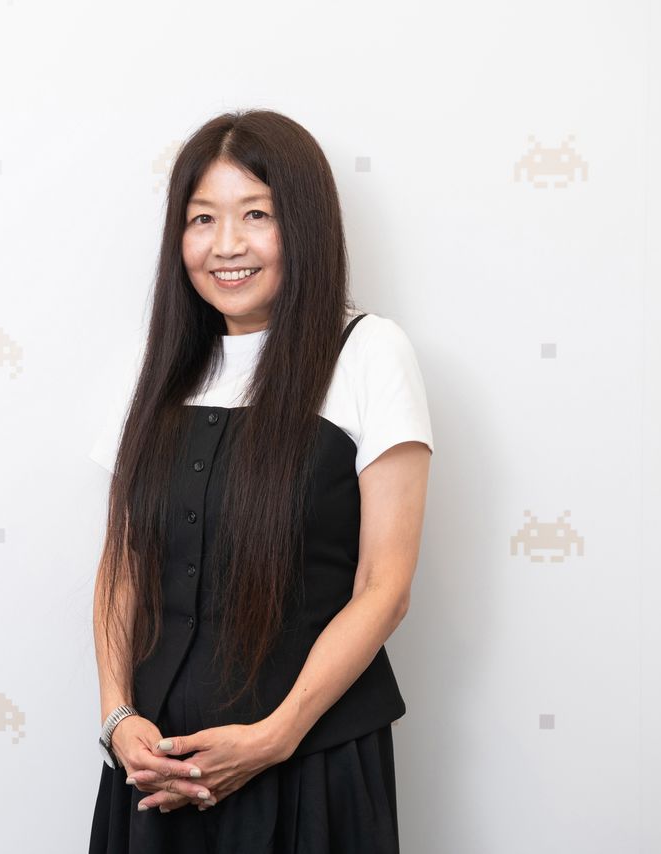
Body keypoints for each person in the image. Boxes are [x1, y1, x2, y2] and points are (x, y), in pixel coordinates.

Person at [86, 109, 434, 853]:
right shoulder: (152, 368)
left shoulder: (368, 352)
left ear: (303, 225)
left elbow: (385, 586)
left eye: (256, 215)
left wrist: (275, 737)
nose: (226, 245)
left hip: (310, 764)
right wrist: (119, 719)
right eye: (202, 218)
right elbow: (124, 562)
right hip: (157, 771)